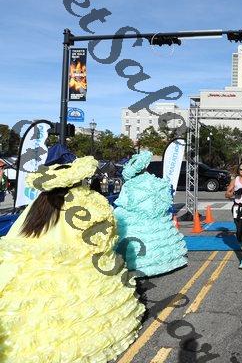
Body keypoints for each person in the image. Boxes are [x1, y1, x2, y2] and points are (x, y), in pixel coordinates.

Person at [0, 156, 144, 361]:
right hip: (76, 270)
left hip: (30, 267)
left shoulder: (39, 203)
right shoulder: (86, 200)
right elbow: (103, 238)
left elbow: (17, 235)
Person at [114, 151, 188, 277]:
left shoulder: (130, 185)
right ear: (145, 167)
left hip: (137, 221)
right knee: (159, 239)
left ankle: (141, 265)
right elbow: (165, 202)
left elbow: (123, 204)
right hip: (157, 219)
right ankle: (167, 262)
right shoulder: (157, 182)